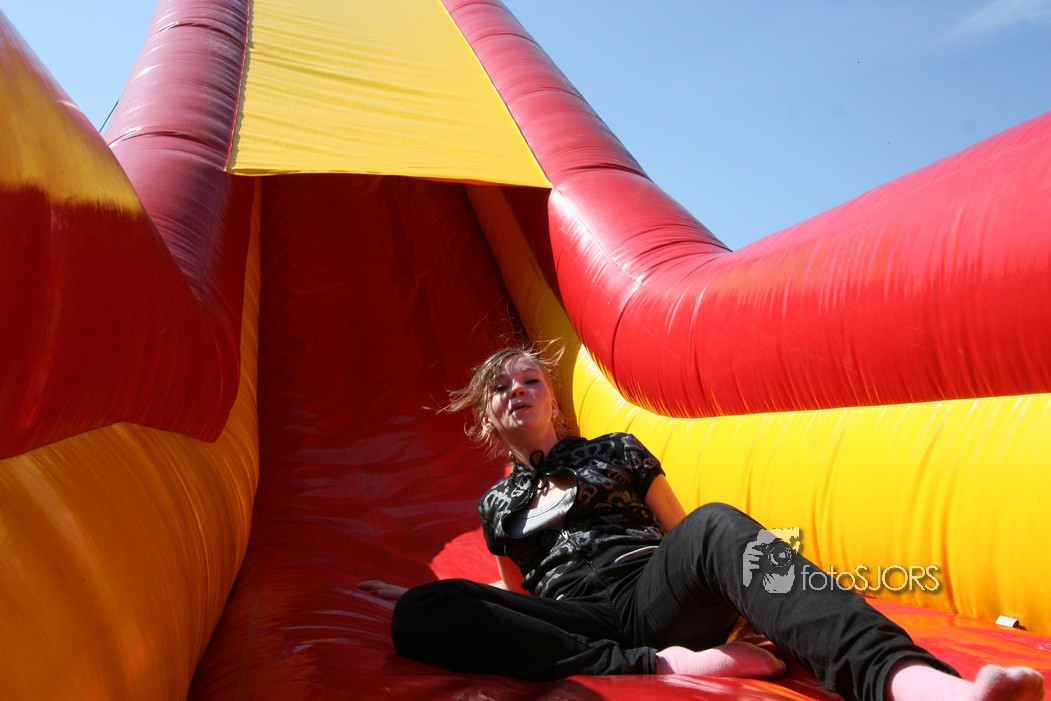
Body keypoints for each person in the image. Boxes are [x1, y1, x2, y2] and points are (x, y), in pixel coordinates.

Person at [359, 346, 1045, 701]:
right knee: (424, 610)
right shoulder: (497, 504)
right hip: (578, 620)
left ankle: (918, 686)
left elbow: (681, 532)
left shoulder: (615, 449)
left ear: (553, 403)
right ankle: (658, 666)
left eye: (529, 380)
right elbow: (518, 598)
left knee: (715, 525)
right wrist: (431, 595)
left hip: (651, 590)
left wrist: (747, 594)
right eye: (500, 386)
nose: (516, 390)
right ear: (485, 414)